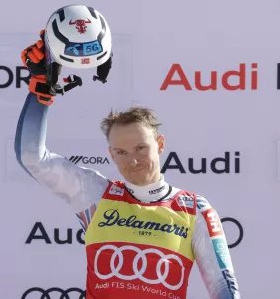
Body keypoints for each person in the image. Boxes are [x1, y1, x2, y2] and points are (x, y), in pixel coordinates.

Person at [15, 31, 241, 299]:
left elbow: (223, 287)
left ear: (160, 144)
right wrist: (41, 89)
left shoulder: (195, 209)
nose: (132, 160)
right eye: (121, 152)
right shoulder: (95, 194)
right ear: (111, 154)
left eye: (141, 148)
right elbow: (32, 157)